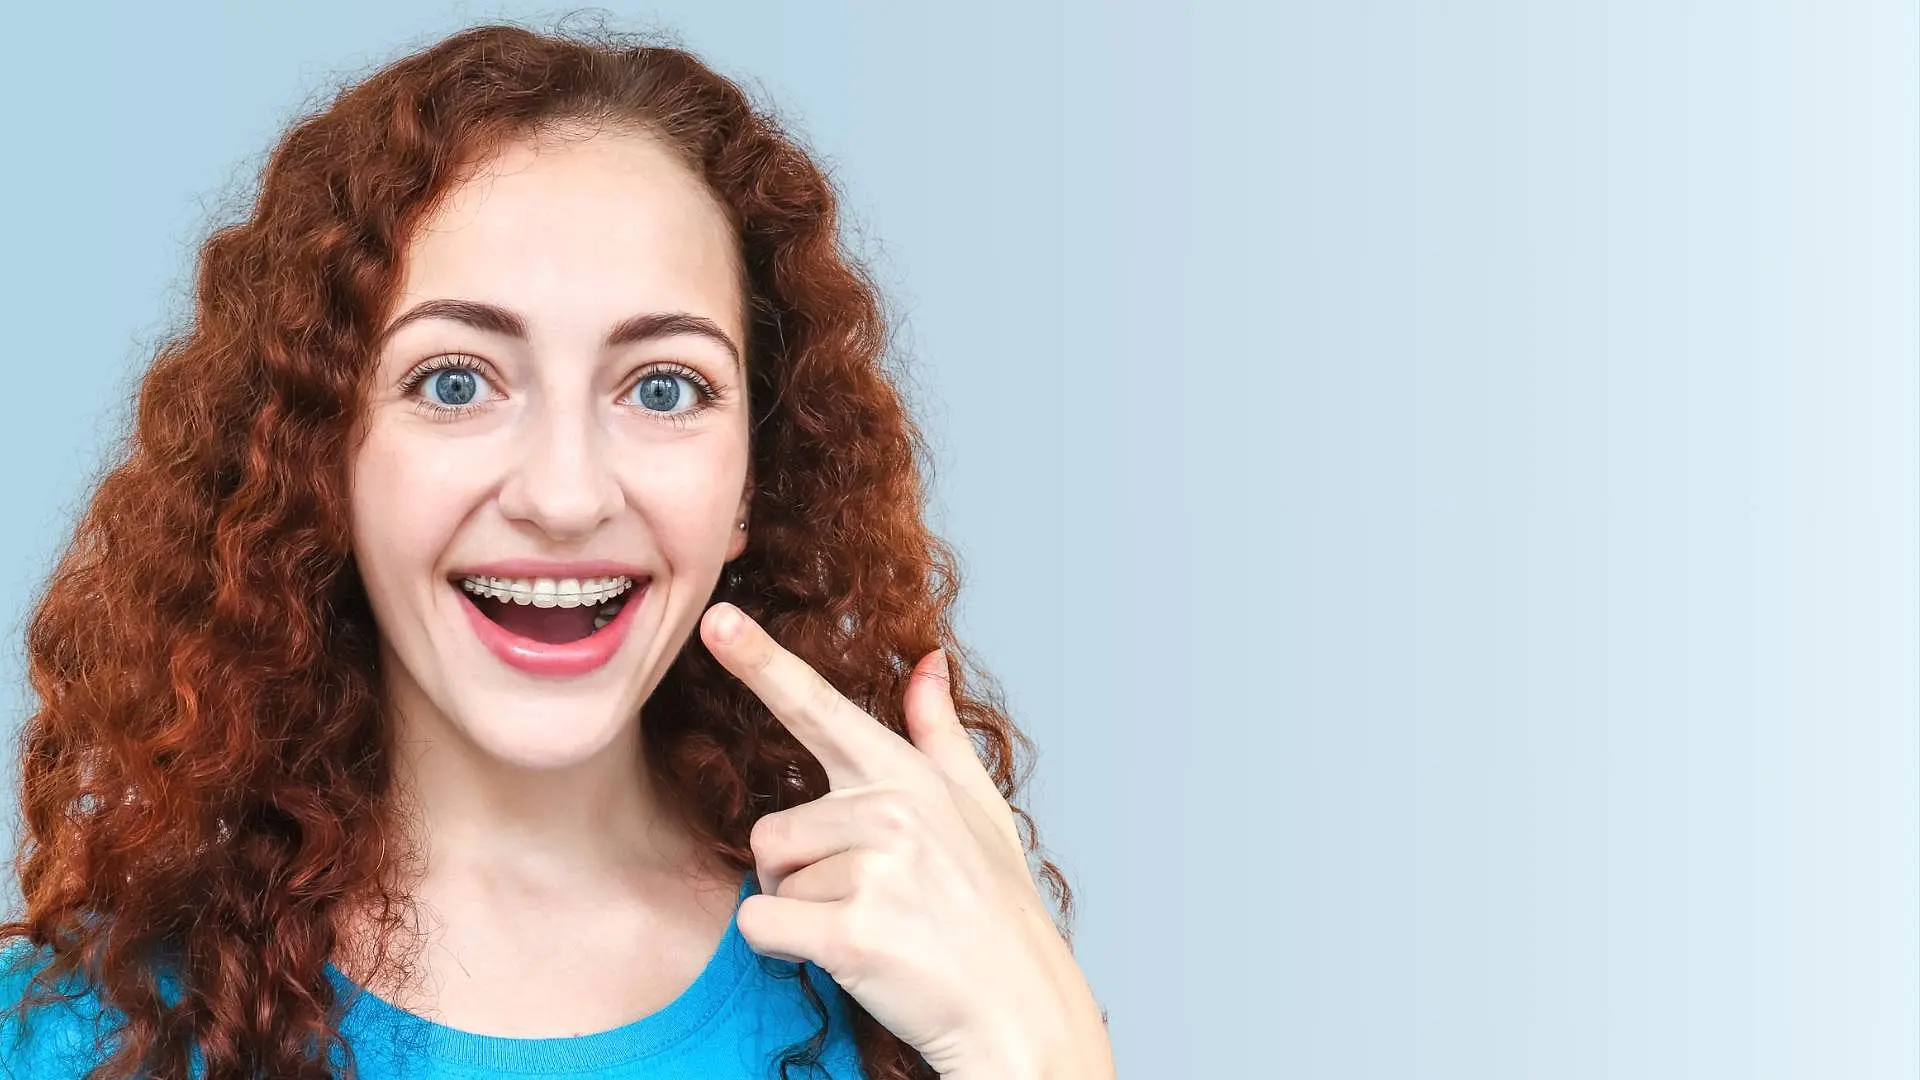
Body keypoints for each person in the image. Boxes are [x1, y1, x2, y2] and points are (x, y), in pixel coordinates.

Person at [0, 22, 1111, 1080]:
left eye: (664, 389)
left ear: (749, 487)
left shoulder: (918, 999)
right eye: (455, 382)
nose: (566, 496)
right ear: (321, 459)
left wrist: (1048, 1057)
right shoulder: (60, 1037)